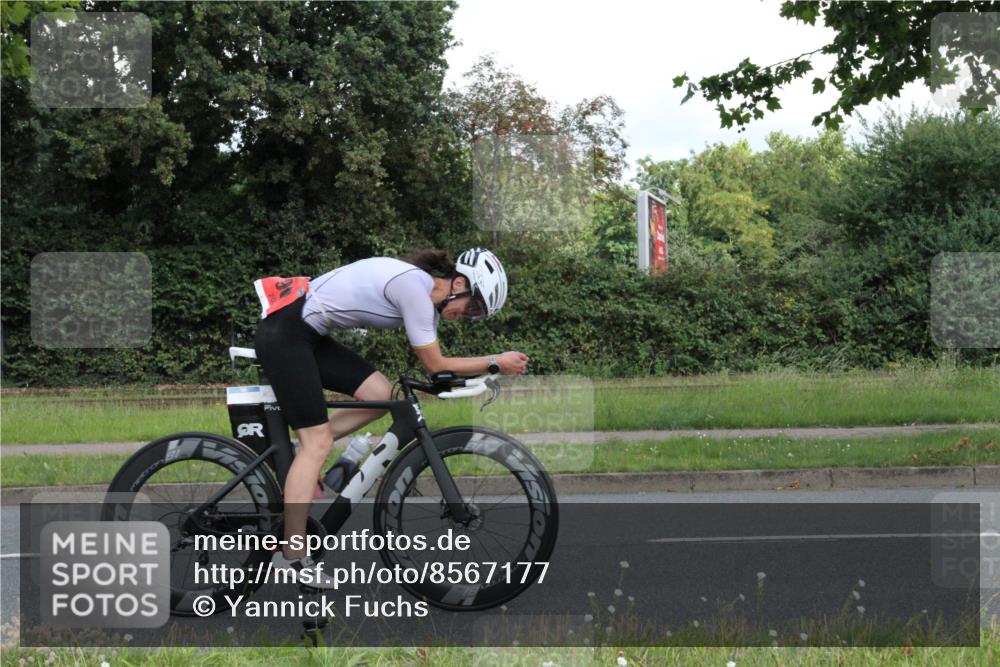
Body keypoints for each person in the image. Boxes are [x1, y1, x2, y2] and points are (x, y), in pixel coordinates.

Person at [252, 248, 529, 579]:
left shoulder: (424, 302)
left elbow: (438, 373)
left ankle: (306, 452)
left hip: (306, 332)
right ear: (458, 283)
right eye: (474, 306)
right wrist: (495, 361)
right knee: (318, 443)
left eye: (477, 314)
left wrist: (482, 374)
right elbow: (436, 365)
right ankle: (292, 556)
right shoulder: (414, 288)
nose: (469, 316)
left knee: (379, 394)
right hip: (286, 331)